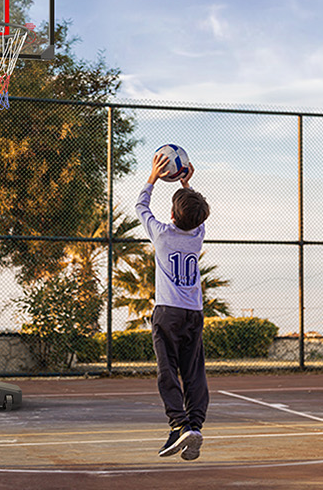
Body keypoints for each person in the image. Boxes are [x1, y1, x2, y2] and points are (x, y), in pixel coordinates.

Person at [137, 151, 211, 461]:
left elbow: (141, 207)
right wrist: (186, 184)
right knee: (194, 370)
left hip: (167, 312)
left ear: (172, 213)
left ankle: (178, 424)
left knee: (167, 370)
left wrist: (153, 177)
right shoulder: (198, 235)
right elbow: (195, 215)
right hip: (194, 313)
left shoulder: (162, 234)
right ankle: (194, 425)